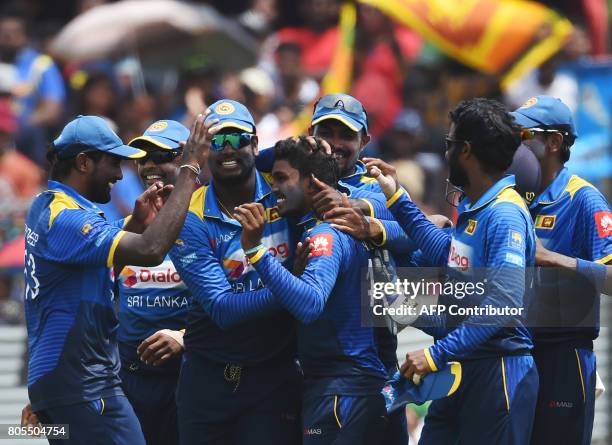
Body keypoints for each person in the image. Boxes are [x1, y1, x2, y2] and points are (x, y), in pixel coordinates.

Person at [23, 113, 212, 444]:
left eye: (163, 156)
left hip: (75, 384)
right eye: (113, 163)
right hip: (85, 384)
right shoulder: (68, 220)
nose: (119, 174)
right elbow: (152, 249)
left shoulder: (46, 206)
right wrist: (190, 169)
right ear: (83, 162)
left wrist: (137, 225)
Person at [369, 98, 539, 444]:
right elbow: (446, 255)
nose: (445, 154)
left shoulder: (504, 214)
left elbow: (503, 303)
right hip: (462, 368)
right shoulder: (477, 209)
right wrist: (397, 198)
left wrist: (435, 353)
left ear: (466, 150)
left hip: (498, 370)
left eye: (449, 144)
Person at [235, 136, 388, 444]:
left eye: (280, 179)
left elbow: (310, 304)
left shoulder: (325, 234)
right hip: (346, 389)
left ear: (312, 183)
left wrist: (255, 251)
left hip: (341, 393)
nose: (272, 188)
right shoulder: (326, 227)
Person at [168, 100, 301, 445]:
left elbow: (325, 164)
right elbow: (223, 310)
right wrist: (297, 287)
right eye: (216, 140)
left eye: (237, 138)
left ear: (255, 143)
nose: (227, 149)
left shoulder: (283, 185)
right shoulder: (189, 217)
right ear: (203, 151)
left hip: (275, 374)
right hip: (208, 379)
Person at [510, 95, 612, 445]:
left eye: (523, 134)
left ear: (554, 142)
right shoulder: (513, 197)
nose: (514, 143)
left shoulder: (584, 199)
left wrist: (555, 259)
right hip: (516, 351)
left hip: (564, 356)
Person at [115, 120, 192, 445]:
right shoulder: (124, 229)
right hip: (129, 381)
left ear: (189, 162)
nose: (149, 165)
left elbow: (235, 305)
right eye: (141, 157)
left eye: (162, 155)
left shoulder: (211, 229)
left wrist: (186, 336)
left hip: (190, 377)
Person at [0, 7, 66, 165]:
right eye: (3, 33)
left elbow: (52, 110)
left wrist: (21, 125)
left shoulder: (41, 65)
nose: (7, 38)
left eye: (13, 33)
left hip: (26, 138)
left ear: (25, 36)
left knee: (33, 133)